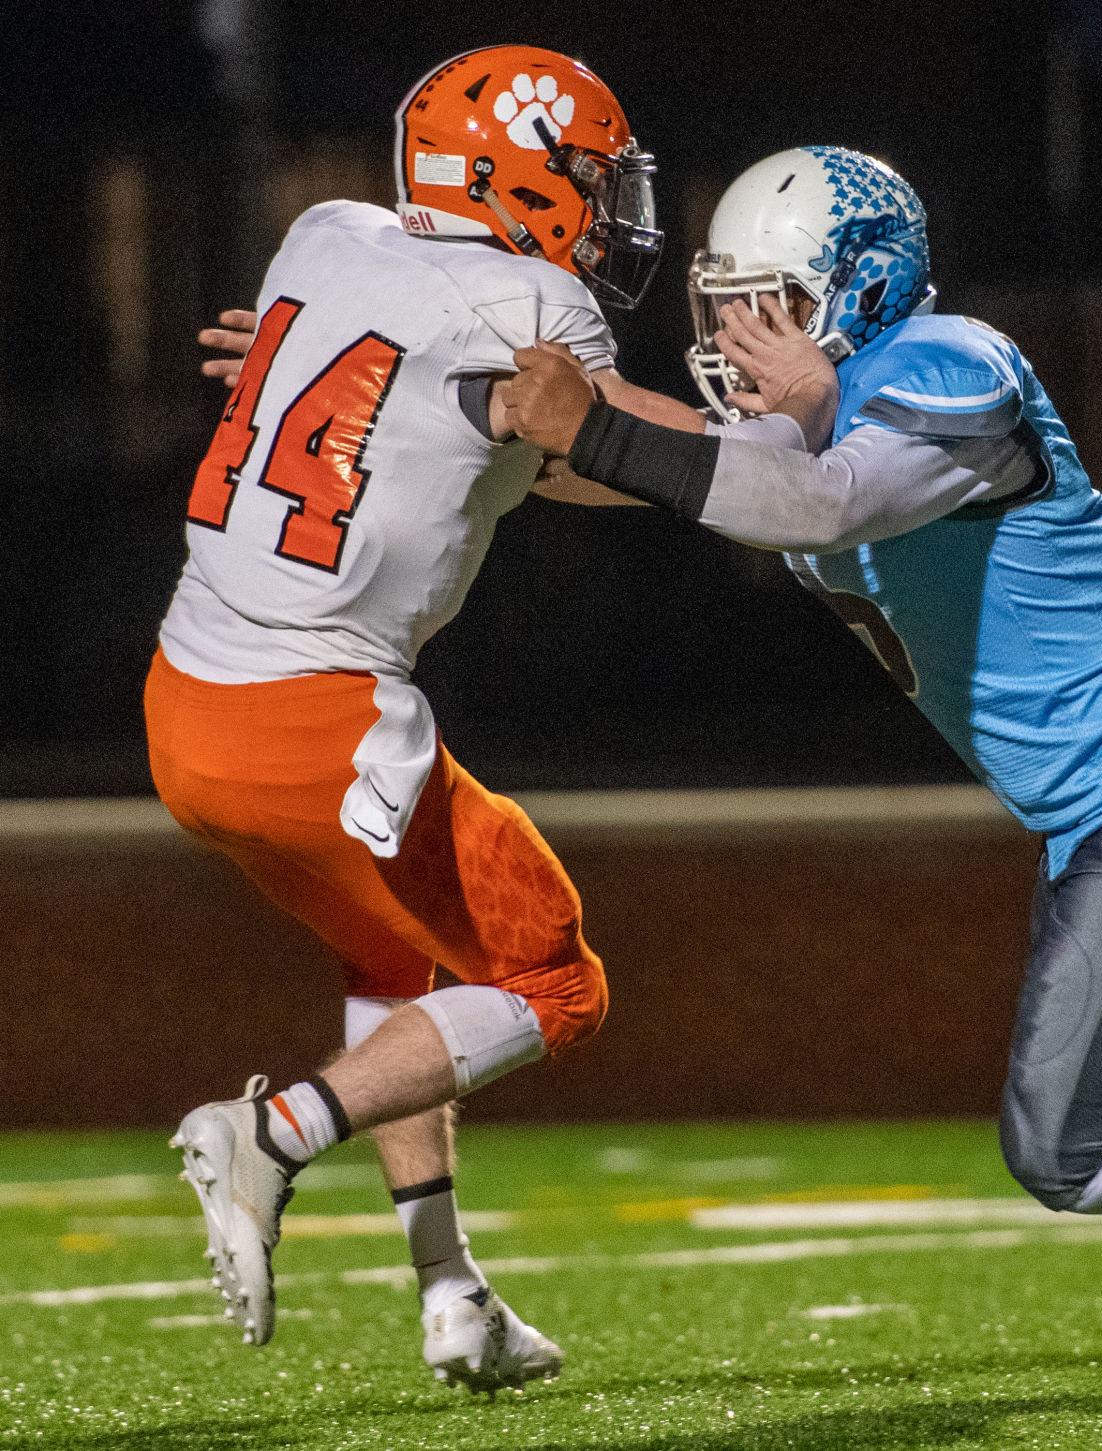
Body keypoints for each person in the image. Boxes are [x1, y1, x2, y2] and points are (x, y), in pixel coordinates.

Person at [499, 145, 1102, 1384]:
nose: (735, 329)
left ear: (862, 290)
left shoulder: (947, 362)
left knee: (1074, 1148)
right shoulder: (810, 423)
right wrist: (389, 390)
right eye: (723, 299)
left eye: (769, 299)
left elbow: (822, 503)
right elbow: (594, 454)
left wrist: (600, 435)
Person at [156, 47, 830, 1396]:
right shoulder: (531, 304)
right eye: (587, 174)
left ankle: (452, 1292)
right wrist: (801, 435)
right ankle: (273, 1130)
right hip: (317, 722)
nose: (604, 203)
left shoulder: (329, 236)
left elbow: (501, 442)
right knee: (554, 979)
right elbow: (625, 444)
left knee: (410, 964)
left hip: (186, 707)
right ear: (515, 170)